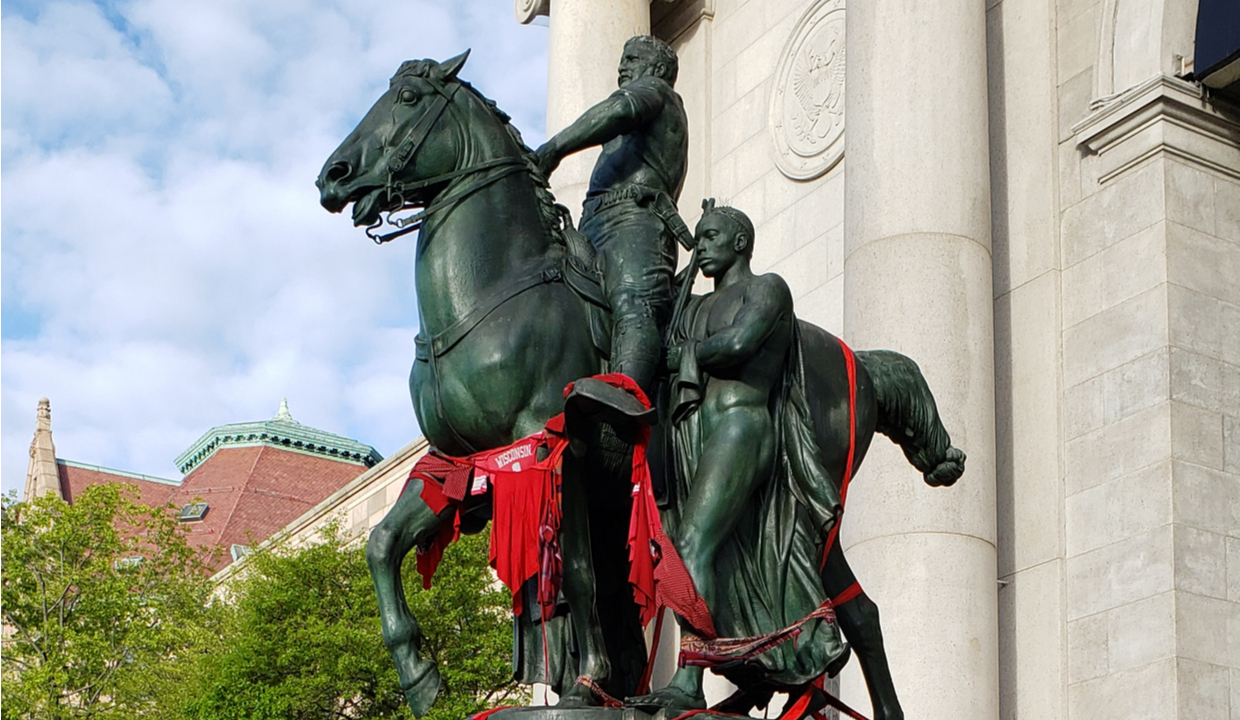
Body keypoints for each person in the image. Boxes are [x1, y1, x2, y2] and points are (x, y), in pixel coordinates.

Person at [630, 203, 847, 713]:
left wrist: (683, 354)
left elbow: (738, 343)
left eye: (711, 237)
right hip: (696, 436)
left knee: (690, 544)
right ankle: (724, 662)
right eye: (698, 238)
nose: (701, 245)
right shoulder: (698, 305)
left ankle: (688, 680)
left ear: (740, 242)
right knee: (695, 550)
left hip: (741, 427)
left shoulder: (768, 288)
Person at [535, 35, 688, 396]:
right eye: (623, 59)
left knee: (634, 308)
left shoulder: (658, 93)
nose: (622, 66)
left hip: (637, 221)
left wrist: (555, 148)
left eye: (632, 58)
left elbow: (620, 110)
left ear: (659, 69)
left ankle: (623, 405)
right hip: (593, 225)